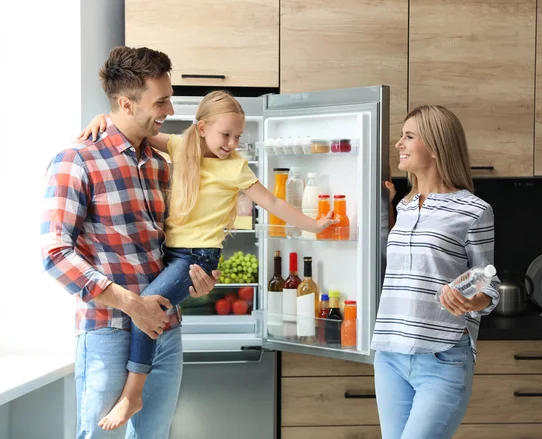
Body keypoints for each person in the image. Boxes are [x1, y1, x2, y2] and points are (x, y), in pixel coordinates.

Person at [80, 90, 338, 430]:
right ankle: (134, 391)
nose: (231, 143)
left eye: (237, 136)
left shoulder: (236, 168)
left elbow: (274, 204)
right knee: (149, 311)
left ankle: (133, 393)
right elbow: (134, 131)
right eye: (225, 134)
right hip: (170, 254)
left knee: (147, 308)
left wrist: (314, 225)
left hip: (198, 257)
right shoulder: (179, 147)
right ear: (201, 128)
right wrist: (103, 119)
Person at [41, 46, 219, 439]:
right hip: (107, 329)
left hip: (165, 328)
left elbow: (168, 249)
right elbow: (54, 254)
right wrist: (131, 304)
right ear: (126, 103)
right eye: (161, 102)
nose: (169, 111)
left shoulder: (159, 165)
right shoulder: (77, 160)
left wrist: (195, 278)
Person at [371, 105, 500, 439]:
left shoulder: (474, 210)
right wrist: (387, 207)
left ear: (436, 146)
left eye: (409, 136)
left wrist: (472, 301)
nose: (399, 143)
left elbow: (489, 281)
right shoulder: (404, 206)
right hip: (390, 354)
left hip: (442, 358)